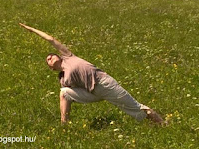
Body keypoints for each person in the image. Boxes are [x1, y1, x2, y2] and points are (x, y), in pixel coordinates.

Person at [19, 23, 164, 125]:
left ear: (59, 56)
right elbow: (71, 93)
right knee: (63, 93)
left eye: (51, 56)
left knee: (135, 107)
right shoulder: (62, 79)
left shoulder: (68, 56)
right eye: (47, 60)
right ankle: (64, 125)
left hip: (104, 84)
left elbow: (50, 39)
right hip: (92, 93)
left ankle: (162, 124)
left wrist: (32, 29)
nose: (50, 58)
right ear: (51, 68)